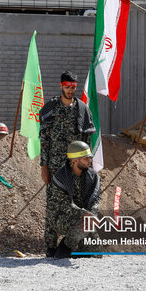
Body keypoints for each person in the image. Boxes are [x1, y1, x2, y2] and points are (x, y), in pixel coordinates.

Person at [39, 70, 95, 257]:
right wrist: (44, 166)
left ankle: (77, 245)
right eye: (67, 87)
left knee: (80, 203)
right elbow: (44, 140)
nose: (70, 90)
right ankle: (51, 246)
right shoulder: (50, 109)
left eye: (73, 87)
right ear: (60, 85)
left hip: (76, 167)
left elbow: (87, 140)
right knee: (53, 205)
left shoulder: (82, 110)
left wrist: (89, 167)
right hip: (55, 166)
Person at [48, 141, 101, 259]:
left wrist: (92, 214)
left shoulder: (93, 176)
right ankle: (65, 247)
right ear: (75, 160)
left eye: (89, 158)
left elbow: (96, 199)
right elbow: (63, 205)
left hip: (84, 217)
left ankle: (76, 248)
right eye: (85, 158)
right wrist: (84, 213)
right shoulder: (60, 177)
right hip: (61, 218)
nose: (89, 161)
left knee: (96, 252)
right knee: (83, 226)